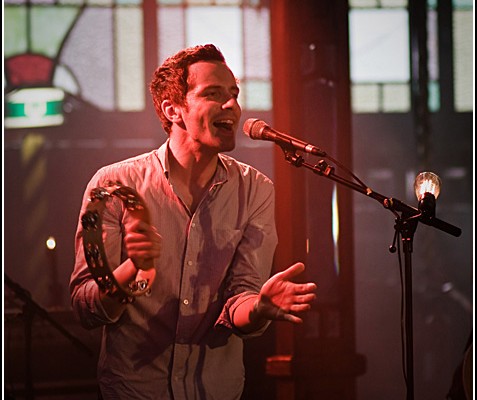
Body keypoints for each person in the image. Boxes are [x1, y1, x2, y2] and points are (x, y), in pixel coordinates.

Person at [70, 43, 317, 400]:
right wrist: (130, 270)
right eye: (213, 94)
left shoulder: (256, 189)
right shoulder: (111, 185)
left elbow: (240, 300)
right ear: (173, 110)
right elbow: (85, 306)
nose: (232, 105)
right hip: (135, 392)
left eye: (233, 94)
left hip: (216, 391)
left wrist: (259, 309)